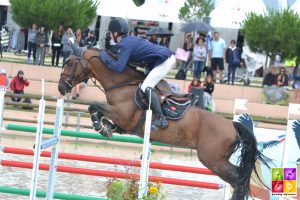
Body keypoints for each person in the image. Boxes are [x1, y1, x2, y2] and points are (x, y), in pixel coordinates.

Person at [78, 18, 176, 129]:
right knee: (142, 84)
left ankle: (161, 118)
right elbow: (116, 53)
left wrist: (104, 56)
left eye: (110, 33)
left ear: (115, 33)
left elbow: (119, 67)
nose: (110, 35)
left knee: (146, 86)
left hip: (164, 61)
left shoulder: (125, 44)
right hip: (159, 60)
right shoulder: (126, 41)